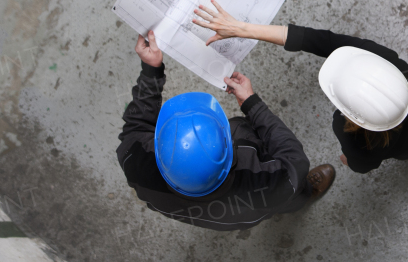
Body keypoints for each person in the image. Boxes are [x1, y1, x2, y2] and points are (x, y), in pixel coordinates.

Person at [116, 30, 335, 230]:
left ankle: (287, 202)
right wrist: (252, 104)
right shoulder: (268, 182)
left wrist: (151, 69)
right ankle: (301, 198)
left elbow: (136, 125)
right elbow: (294, 161)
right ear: (229, 158)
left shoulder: (136, 165)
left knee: (278, 195)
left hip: (226, 217)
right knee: (290, 191)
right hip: (267, 197)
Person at [191, 0, 408, 172]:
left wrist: (349, 160)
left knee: (396, 149)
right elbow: (317, 40)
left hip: (383, 146)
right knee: (403, 146)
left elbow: (362, 165)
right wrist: (241, 29)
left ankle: (405, 150)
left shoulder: (350, 134)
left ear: (352, 117)